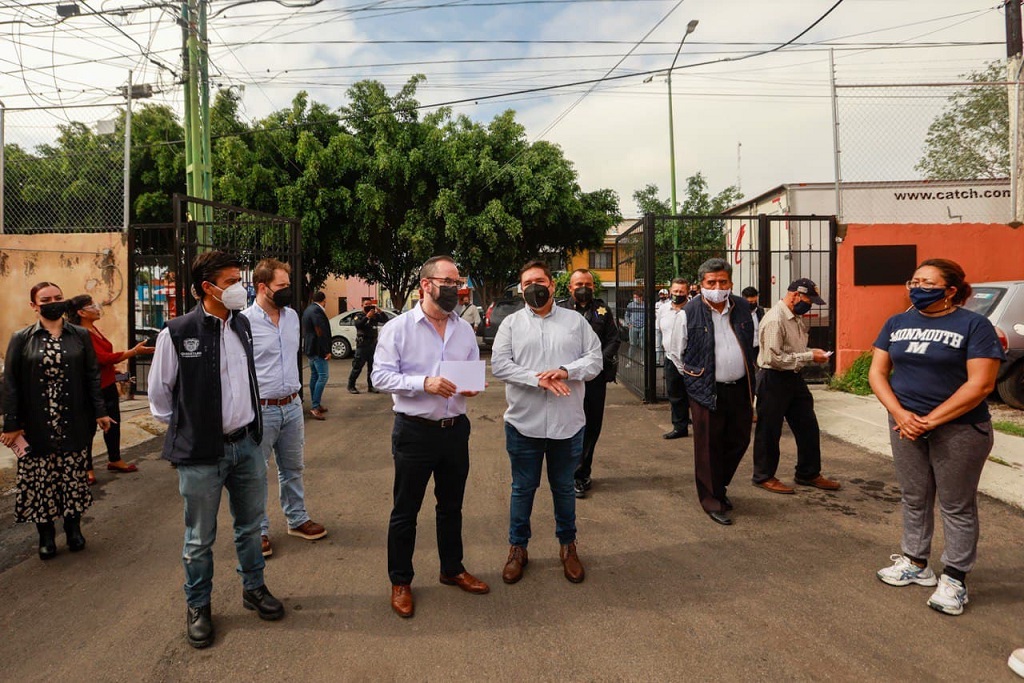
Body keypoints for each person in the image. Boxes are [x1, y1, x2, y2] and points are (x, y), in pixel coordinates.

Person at [149, 251, 284, 649]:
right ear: (207, 288)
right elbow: (160, 400)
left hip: (245, 445)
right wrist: (194, 430)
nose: (239, 288)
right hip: (201, 455)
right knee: (199, 538)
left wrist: (250, 428)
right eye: (230, 282)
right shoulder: (176, 333)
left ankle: (253, 588)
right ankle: (198, 606)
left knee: (249, 525)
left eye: (239, 280)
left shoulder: (240, 325)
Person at [868, 259, 1003, 617]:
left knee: (956, 504)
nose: (917, 286)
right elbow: (878, 372)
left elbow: (982, 383)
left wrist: (929, 420)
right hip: (905, 425)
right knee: (914, 496)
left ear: (950, 290)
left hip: (959, 430)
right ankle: (916, 562)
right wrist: (900, 414)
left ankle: (955, 577)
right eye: (913, 280)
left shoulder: (974, 325)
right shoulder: (896, 323)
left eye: (927, 281)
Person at [371, 255, 489, 618]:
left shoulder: (464, 328)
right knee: (406, 510)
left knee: (451, 507)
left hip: (455, 431)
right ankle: (401, 580)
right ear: (426, 285)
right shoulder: (399, 329)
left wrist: (470, 388)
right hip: (414, 432)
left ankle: (451, 568)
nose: (456, 288)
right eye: (449, 281)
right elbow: (380, 377)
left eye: (458, 282)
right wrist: (424, 384)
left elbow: (469, 375)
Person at [492, 260, 603, 585]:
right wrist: (535, 379)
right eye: (527, 283)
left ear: (553, 285)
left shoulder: (575, 322)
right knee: (522, 489)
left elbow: (595, 360)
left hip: (567, 425)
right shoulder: (511, 324)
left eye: (539, 281)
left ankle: (568, 546)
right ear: (521, 287)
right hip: (522, 424)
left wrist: (566, 371)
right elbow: (499, 365)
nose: (533, 287)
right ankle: (517, 548)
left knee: (564, 489)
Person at [2, 282, 113, 560]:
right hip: (36, 423)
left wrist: (100, 411)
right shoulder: (22, 338)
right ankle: (46, 535)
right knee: (41, 481)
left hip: (73, 419)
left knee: (72, 476)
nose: (53, 302)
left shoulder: (79, 336)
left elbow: (91, 376)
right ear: (34, 305)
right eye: (46, 299)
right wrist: (11, 424)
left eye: (58, 297)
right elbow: (11, 383)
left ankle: (73, 529)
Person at [242, 259, 328, 560]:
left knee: (293, 468)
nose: (287, 291)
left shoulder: (292, 316)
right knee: (256, 473)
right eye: (282, 286)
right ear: (262, 287)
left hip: (291, 406)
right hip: (261, 409)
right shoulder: (244, 322)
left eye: (288, 285)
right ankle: (259, 531)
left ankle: (297, 518)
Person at [666, 258, 756, 527]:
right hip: (705, 389)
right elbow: (675, 352)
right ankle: (712, 500)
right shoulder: (688, 313)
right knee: (707, 446)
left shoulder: (742, 308)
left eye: (723, 282)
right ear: (701, 285)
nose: (718, 287)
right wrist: (695, 376)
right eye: (711, 282)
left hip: (740, 388)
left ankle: (719, 486)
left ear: (730, 283)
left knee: (739, 440)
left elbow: (751, 342)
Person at [751, 279, 841, 494]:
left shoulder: (796, 317)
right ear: (795, 296)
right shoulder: (775, 319)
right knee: (769, 430)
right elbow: (775, 359)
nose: (810, 305)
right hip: (773, 378)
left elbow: (791, 348)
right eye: (809, 300)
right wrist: (810, 356)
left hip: (793, 378)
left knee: (808, 426)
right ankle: (763, 476)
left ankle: (808, 473)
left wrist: (810, 350)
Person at [66, 294, 153, 483]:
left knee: (113, 424)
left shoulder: (94, 329)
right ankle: (87, 467)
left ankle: (115, 459)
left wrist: (114, 370)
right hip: (90, 388)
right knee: (88, 428)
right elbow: (100, 358)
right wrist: (133, 352)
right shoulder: (80, 333)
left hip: (107, 384)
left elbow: (105, 359)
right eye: (91, 306)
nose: (97, 308)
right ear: (81, 312)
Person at [558, 268, 620, 498]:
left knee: (591, 426)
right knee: (568, 425)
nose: (584, 288)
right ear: (570, 287)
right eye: (578, 284)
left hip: (594, 378)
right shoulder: (560, 310)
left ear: (593, 287)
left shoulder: (602, 310)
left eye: (588, 284)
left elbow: (614, 339)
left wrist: (595, 362)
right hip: (568, 379)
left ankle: (582, 474)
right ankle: (566, 472)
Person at [659, 278, 690, 440]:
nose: (678, 294)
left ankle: (700, 425)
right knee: (675, 394)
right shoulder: (663, 310)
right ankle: (680, 426)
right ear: (670, 291)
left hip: (690, 359)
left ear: (688, 292)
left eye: (681, 292)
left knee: (694, 394)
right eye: (675, 291)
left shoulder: (692, 310)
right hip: (670, 358)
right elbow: (660, 330)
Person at [301, 291, 331, 420]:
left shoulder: (309, 309)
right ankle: (315, 406)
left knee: (315, 376)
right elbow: (320, 331)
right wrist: (326, 350)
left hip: (310, 347)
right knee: (323, 376)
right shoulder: (317, 311)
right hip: (317, 349)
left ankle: (316, 404)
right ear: (323, 300)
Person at [348, 302, 381, 394]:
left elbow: (385, 320)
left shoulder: (375, 316)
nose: (368, 306)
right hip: (362, 345)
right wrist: (367, 317)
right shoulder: (359, 316)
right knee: (357, 367)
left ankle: (371, 386)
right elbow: (358, 325)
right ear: (362, 306)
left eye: (370, 304)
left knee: (372, 367)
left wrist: (380, 312)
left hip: (372, 344)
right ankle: (351, 385)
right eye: (366, 304)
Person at [625, 291, 645, 356]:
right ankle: (630, 360)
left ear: (641, 297)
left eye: (637, 297)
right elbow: (626, 315)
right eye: (634, 297)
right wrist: (628, 323)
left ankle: (643, 360)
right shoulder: (630, 305)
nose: (635, 299)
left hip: (643, 327)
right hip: (633, 326)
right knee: (632, 344)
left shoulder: (645, 305)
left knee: (643, 345)